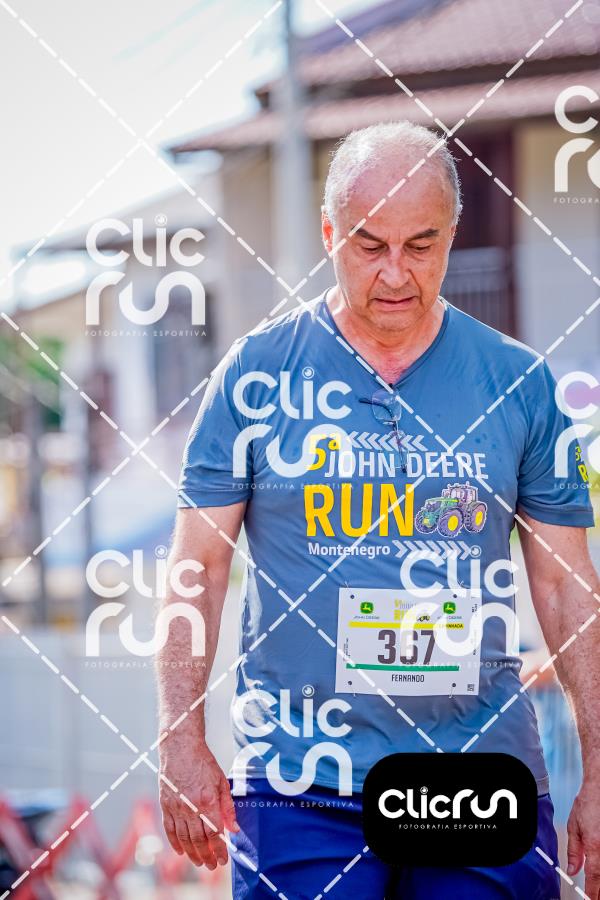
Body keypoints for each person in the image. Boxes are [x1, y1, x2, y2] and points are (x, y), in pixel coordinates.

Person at [156, 121, 600, 899]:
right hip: (302, 779)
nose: (395, 273)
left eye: (421, 245)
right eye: (369, 245)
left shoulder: (519, 385)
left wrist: (599, 767)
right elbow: (197, 567)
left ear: (452, 235)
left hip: (476, 773)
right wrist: (179, 739)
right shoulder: (256, 378)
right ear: (330, 234)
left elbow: (568, 586)